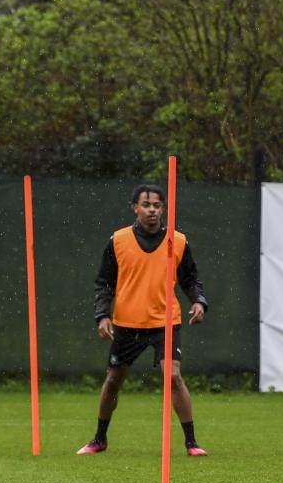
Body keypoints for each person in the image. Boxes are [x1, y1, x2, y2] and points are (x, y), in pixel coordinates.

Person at [77, 184, 210, 457]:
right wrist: (102, 315)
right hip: (127, 323)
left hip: (165, 321)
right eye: (146, 205)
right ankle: (99, 439)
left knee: (172, 376)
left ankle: (191, 443)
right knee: (113, 380)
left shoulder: (178, 241)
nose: (152, 210)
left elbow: (191, 279)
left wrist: (198, 301)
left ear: (164, 209)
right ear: (135, 208)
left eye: (157, 205)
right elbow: (103, 282)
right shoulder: (118, 240)